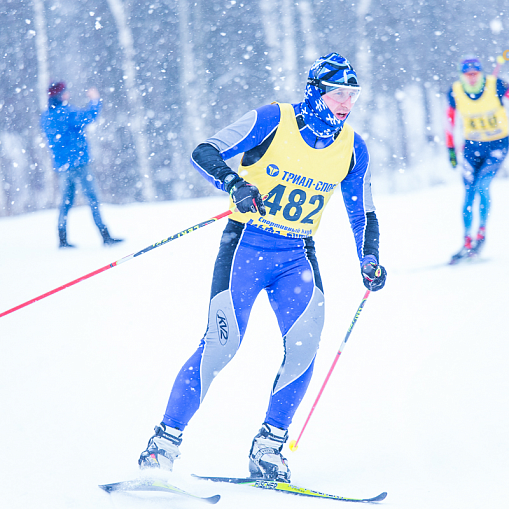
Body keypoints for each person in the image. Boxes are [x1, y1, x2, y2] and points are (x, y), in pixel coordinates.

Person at [138, 53, 387, 482]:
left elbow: (363, 212)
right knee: (221, 346)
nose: (346, 103)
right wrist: (235, 183)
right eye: (337, 93)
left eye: (352, 95)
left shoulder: (353, 147)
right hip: (245, 249)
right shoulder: (274, 119)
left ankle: (269, 448)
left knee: (305, 349)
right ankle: (163, 445)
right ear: (315, 92)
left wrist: (369, 258)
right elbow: (205, 151)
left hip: (297, 258)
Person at [40, 82, 123, 248]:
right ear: (59, 95)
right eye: (64, 92)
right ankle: (105, 236)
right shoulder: (66, 112)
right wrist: (95, 100)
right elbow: (89, 117)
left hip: (62, 165)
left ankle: (62, 238)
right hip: (79, 163)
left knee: (66, 202)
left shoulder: (47, 116)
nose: (67, 94)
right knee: (93, 199)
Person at [445, 56, 509, 264]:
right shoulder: (455, 92)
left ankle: (481, 234)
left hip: (497, 146)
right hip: (472, 148)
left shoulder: (496, 85)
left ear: (481, 73)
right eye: (467, 74)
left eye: (475, 74)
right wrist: (451, 149)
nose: (472, 78)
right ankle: (466, 240)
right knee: (468, 192)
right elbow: (450, 122)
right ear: (462, 75)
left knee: (482, 186)